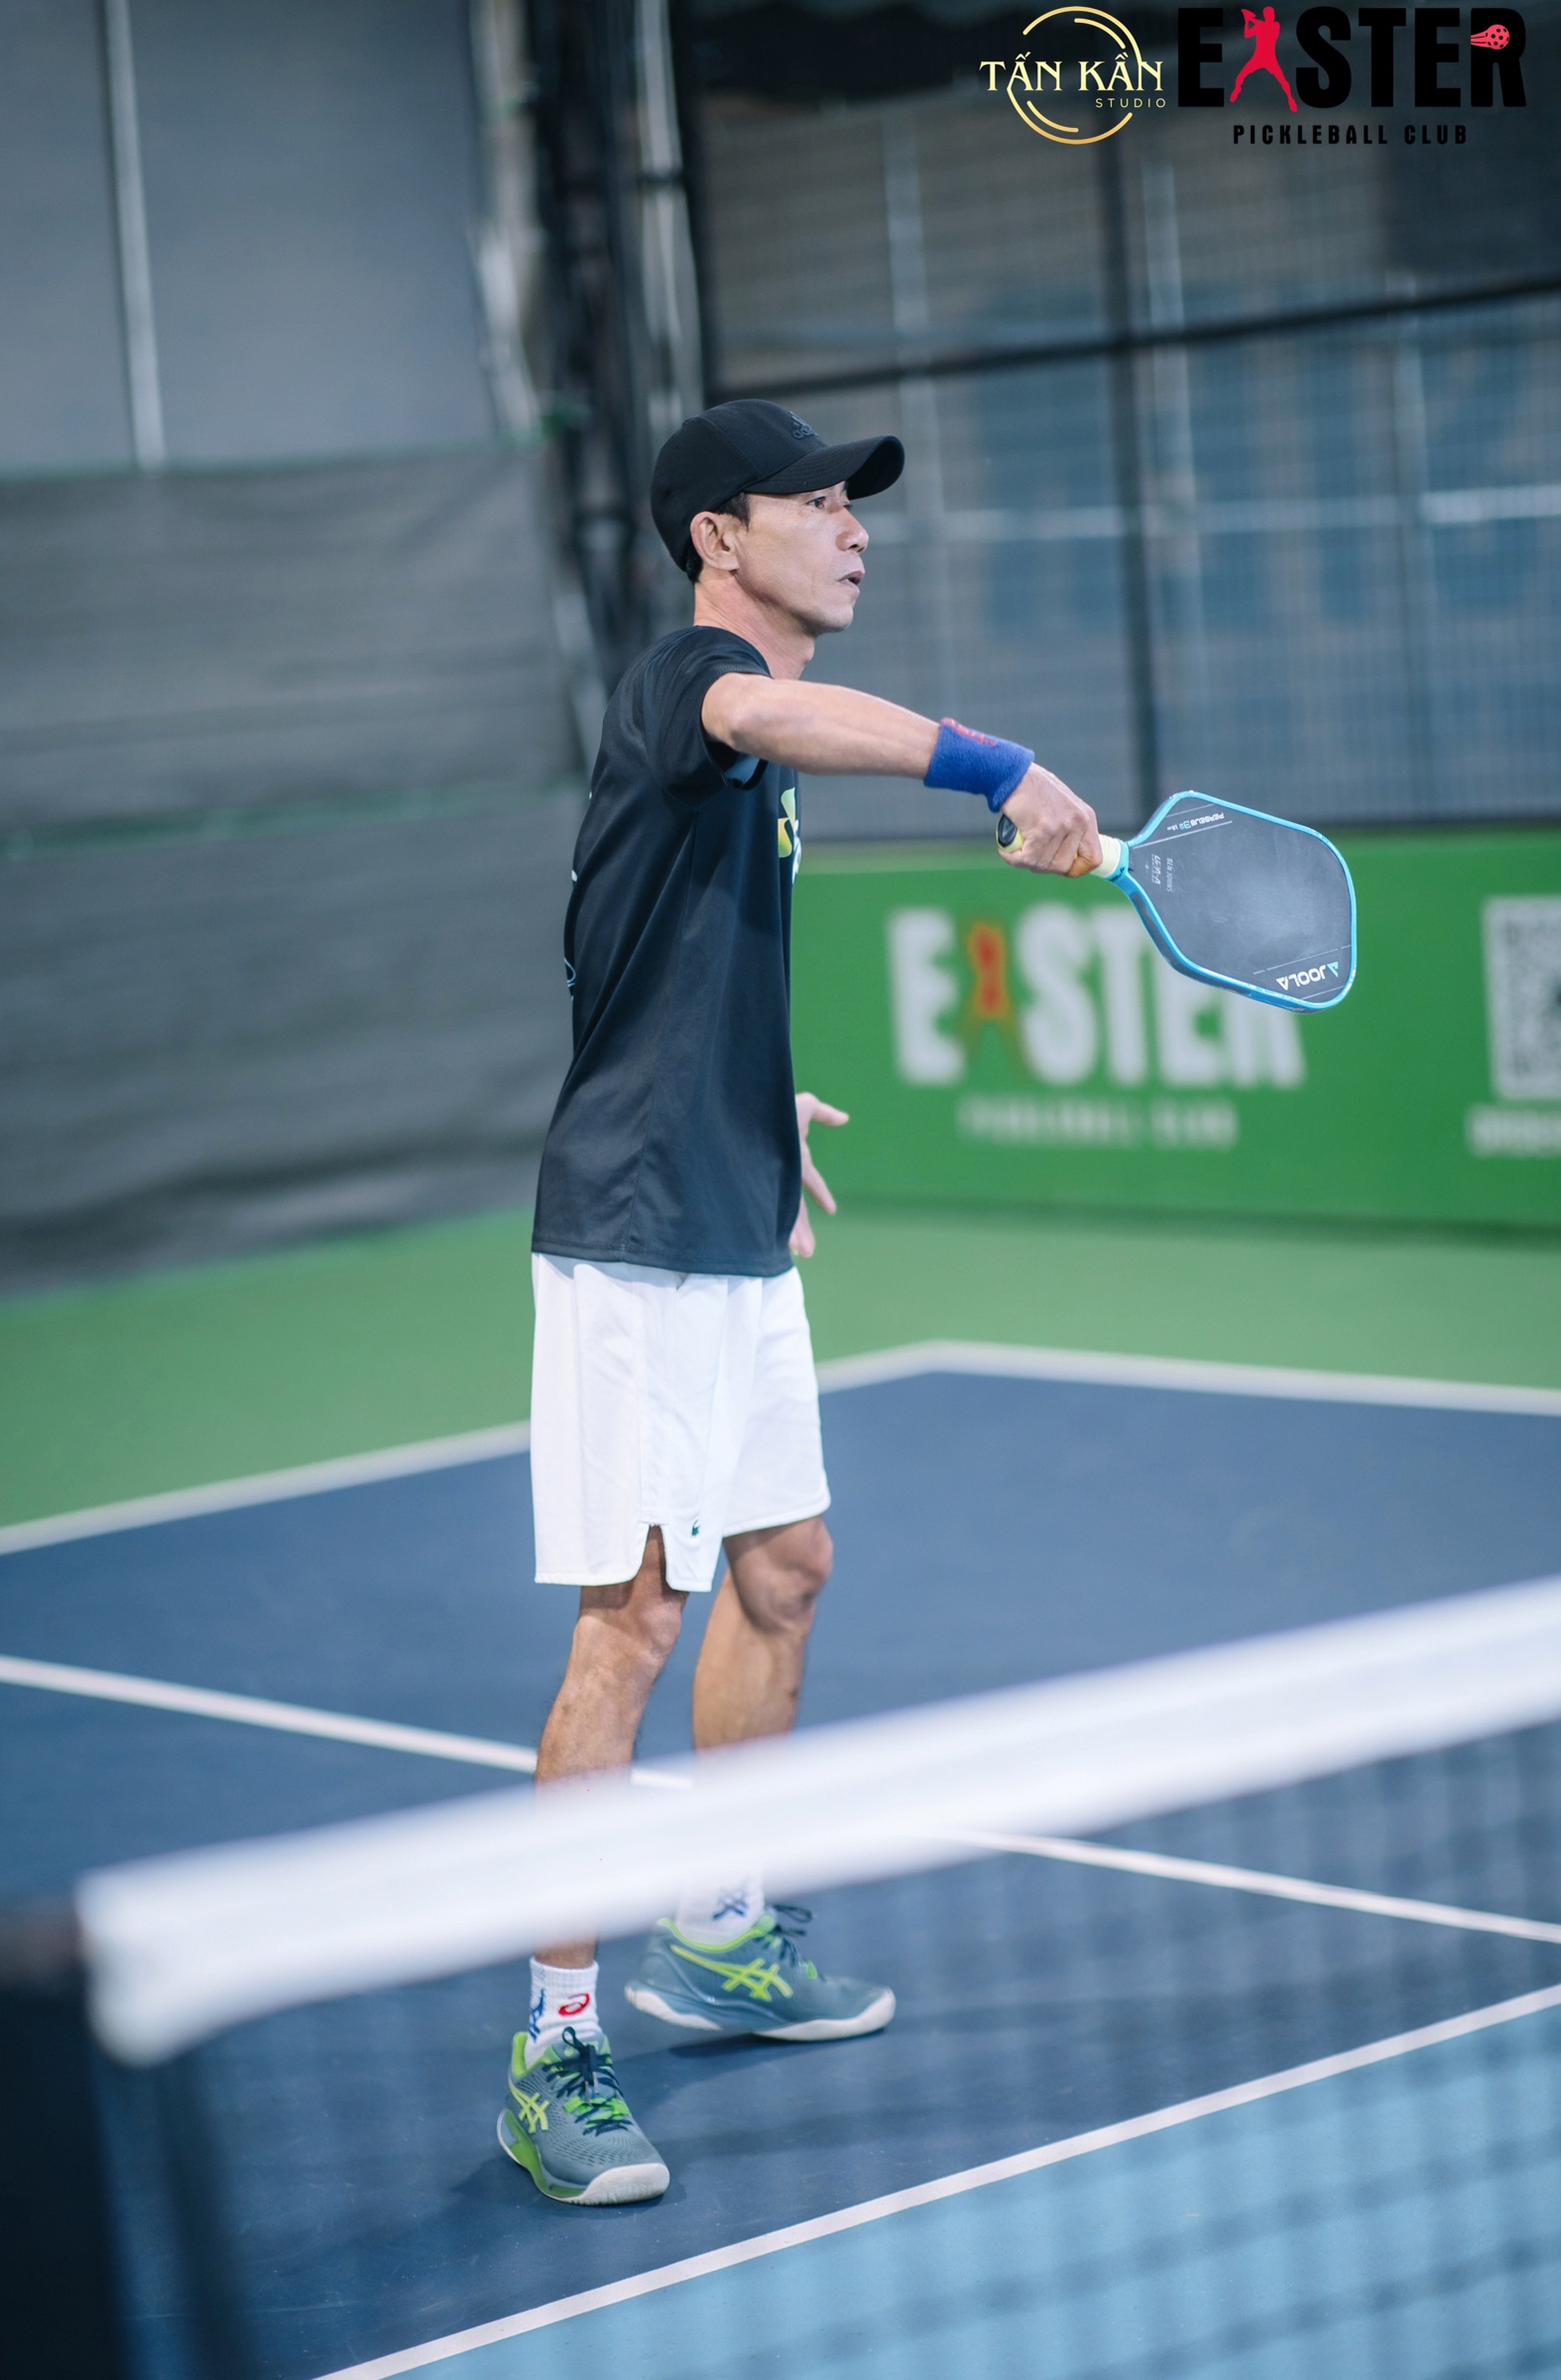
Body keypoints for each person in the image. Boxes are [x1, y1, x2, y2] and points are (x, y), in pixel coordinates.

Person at [499, 399, 1101, 2204]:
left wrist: (759, 1102)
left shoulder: (742, 765)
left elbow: (648, 973)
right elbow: (768, 717)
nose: (854, 530)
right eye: (817, 503)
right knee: (633, 1624)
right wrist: (993, 767)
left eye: (857, 506)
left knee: (787, 1568)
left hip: (734, 1207)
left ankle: (721, 1926)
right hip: (634, 1238)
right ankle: (551, 2048)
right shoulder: (696, 686)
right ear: (718, 537)